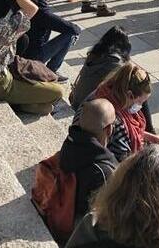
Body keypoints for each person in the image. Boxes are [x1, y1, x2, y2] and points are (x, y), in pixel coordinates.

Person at [79, 63, 159, 162]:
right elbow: (125, 162)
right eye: (140, 102)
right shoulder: (114, 119)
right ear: (130, 95)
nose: (140, 107)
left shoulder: (105, 92)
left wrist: (151, 137)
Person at [58, 97, 119, 230]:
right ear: (109, 129)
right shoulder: (103, 171)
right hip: (81, 227)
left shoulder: (69, 144)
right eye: (115, 122)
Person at [22, 0, 81, 77]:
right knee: (71, 35)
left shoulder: (24, 4)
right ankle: (51, 71)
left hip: (21, 53)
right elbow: (74, 29)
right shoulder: (42, 12)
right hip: (32, 57)